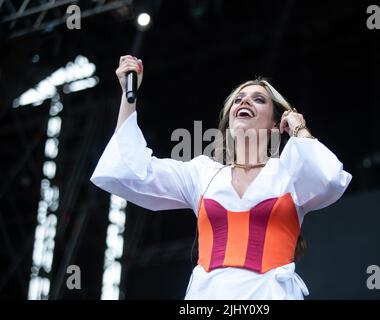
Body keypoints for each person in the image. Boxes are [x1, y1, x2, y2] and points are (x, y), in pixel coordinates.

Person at [90, 55, 352, 299]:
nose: (244, 102)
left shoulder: (290, 173)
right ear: (229, 119)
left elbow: (329, 177)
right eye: (238, 99)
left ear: (275, 124)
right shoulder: (204, 174)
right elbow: (130, 171)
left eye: (258, 99)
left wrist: (298, 127)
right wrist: (128, 95)